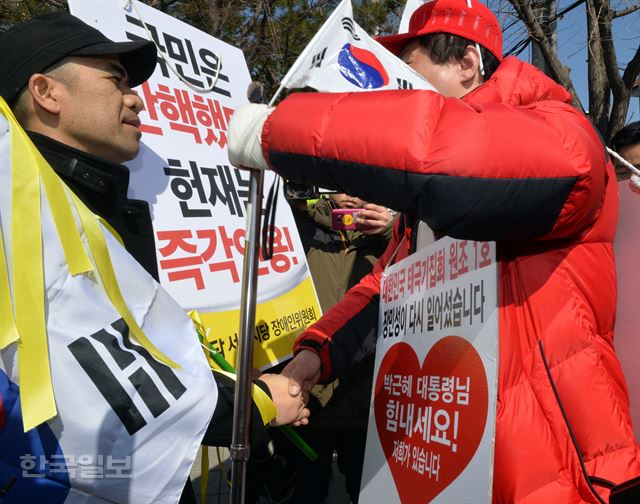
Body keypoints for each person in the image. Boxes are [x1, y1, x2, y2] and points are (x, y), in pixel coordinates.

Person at [227, 0, 640, 502]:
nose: (401, 94)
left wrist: (274, 130)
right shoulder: (422, 212)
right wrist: (316, 354)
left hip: (555, 466)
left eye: (413, 77)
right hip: (442, 452)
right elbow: (386, 289)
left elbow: (447, 153)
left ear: (467, 63)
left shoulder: (563, 135)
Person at [0, 12, 308, 503]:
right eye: (115, 79)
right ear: (46, 92)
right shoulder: (21, 224)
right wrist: (257, 404)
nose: (136, 98)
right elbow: (105, 384)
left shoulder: (82, 202)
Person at [280, 193, 394, 503]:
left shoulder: (391, 237)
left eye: (360, 184)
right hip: (307, 395)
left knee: (367, 491)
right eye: (341, 183)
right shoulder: (300, 226)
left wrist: (390, 229)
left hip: (364, 398)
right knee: (308, 489)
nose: (353, 194)